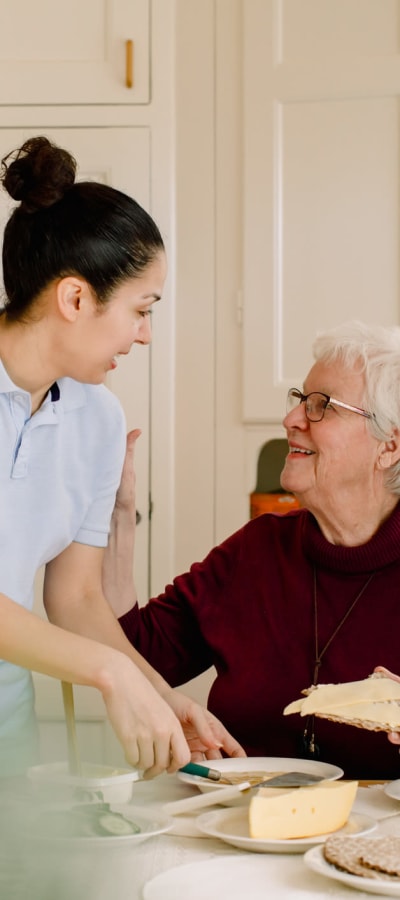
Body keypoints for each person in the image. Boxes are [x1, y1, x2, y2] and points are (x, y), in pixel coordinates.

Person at [0, 135, 243, 776]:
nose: (146, 333)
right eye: (141, 309)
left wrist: (161, 696)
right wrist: (110, 673)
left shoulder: (98, 419)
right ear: (76, 299)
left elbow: (76, 596)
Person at [105, 320, 400, 780]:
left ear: (390, 445)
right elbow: (137, 653)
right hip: (244, 832)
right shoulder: (258, 550)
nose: (292, 419)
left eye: (322, 406)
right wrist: (119, 517)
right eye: (300, 400)